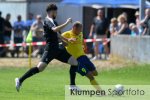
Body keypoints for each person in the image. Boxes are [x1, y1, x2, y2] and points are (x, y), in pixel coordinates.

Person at [15, 3, 82, 92]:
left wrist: (66, 40)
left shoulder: (54, 21)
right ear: (51, 12)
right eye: (55, 12)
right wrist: (66, 22)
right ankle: (19, 80)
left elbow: (58, 34)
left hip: (58, 48)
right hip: (50, 49)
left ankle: (72, 86)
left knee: (74, 62)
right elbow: (54, 30)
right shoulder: (47, 21)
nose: (56, 14)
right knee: (40, 68)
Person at [62, 21, 101, 90]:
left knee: (95, 73)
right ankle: (100, 91)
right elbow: (58, 38)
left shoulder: (80, 33)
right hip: (76, 60)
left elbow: (82, 39)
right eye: (79, 29)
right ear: (74, 28)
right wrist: (65, 42)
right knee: (90, 76)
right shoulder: (67, 34)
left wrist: (85, 46)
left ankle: (75, 72)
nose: (80, 31)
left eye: (81, 29)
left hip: (84, 57)